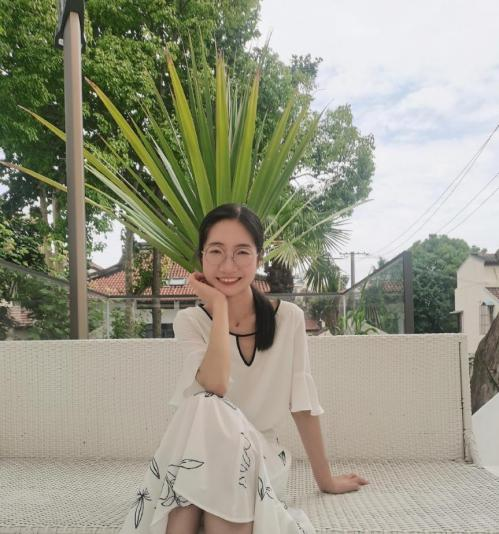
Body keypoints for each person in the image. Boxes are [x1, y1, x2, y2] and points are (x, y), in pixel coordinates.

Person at [118, 203, 368, 534]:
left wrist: (326, 481)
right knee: (205, 404)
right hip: (201, 456)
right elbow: (216, 383)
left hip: (261, 458)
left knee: (203, 407)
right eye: (216, 252)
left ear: (259, 258)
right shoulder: (190, 321)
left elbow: (302, 405)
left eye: (241, 252)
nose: (227, 266)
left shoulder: (288, 318)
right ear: (201, 258)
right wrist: (219, 308)